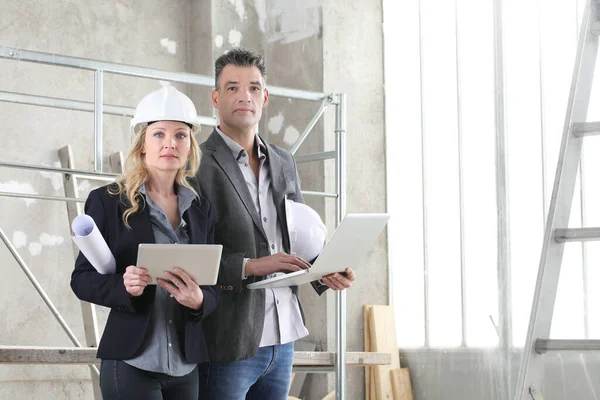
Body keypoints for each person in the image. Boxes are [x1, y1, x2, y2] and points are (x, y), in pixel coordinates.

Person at [196, 48, 356, 399]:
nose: (244, 96)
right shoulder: (198, 164)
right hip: (230, 339)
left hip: (284, 338)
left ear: (265, 98)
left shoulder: (283, 162)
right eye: (233, 87)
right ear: (215, 97)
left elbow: (298, 238)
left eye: (254, 88)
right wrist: (251, 266)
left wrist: (323, 270)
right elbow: (192, 258)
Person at [70, 86, 219, 400]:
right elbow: (81, 281)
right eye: (159, 134)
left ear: (190, 145)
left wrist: (199, 301)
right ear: (142, 145)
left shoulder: (200, 209)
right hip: (130, 362)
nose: (169, 143)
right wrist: (124, 287)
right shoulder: (108, 202)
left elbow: (215, 287)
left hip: (185, 366)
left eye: (180, 135)